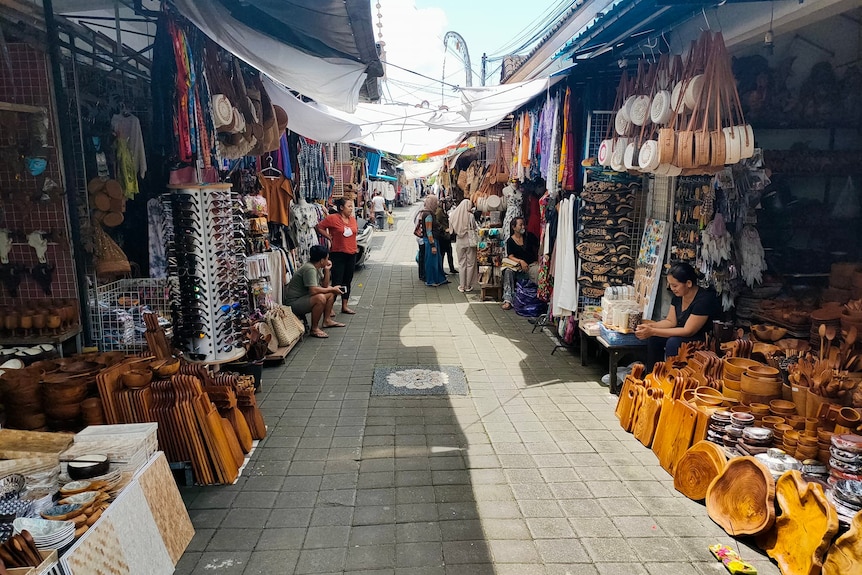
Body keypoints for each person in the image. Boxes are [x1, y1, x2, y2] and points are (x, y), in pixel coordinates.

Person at [635, 261, 721, 372]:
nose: (672, 288)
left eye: (675, 285)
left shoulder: (704, 300)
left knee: (673, 342)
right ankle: (653, 375)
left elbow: (688, 331)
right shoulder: (678, 296)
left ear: (688, 283)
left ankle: (673, 377)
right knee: (654, 339)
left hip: (701, 337)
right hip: (682, 333)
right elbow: (671, 321)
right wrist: (650, 326)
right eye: (670, 285)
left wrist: (653, 330)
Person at [284, 245, 346, 338]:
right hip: (293, 303)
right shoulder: (310, 269)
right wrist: (332, 288)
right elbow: (313, 290)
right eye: (327, 258)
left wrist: (327, 270)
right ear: (321, 260)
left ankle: (327, 320)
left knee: (330, 293)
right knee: (320, 298)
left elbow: (325, 286)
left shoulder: (316, 267)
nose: (328, 260)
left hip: (303, 298)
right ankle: (314, 329)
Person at [315, 198, 358, 315]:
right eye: (349, 206)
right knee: (337, 282)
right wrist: (328, 236)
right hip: (337, 254)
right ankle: (330, 307)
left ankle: (345, 306)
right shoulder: (332, 218)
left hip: (351, 253)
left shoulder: (353, 220)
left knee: (347, 280)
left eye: (351, 206)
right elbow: (319, 227)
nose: (351, 208)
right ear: (341, 208)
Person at [501, 217, 539, 310]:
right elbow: (510, 256)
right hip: (517, 266)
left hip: (531, 265)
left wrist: (539, 259)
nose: (523, 227)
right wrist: (520, 261)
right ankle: (508, 300)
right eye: (520, 225)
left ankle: (538, 298)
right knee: (508, 271)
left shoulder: (529, 236)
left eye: (524, 224)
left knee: (538, 271)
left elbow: (539, 247)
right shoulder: (510, 240)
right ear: (514, 227)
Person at [449, 199, 478, 293]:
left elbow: (451, 230)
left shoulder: (453, 215)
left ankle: (461, 286)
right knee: (470, 263)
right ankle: (468, 285)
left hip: (459, 241)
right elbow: (474, 227)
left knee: (461, 263)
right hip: (469, 241)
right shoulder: (470, 216)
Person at [419, 195, 448, 287]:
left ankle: (438, 279)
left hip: (432, 240)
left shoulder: (428, 213)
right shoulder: (428, 215)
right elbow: (429, 231)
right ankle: (431, 280)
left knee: (436, 261)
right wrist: (432, 245)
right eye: (435, 202)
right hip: (430, 241)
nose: (437, 204)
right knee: (431, 262)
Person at [436, 200, 457, 275]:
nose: (449, 205)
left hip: (446, 236)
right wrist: (444, 229)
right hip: (443, 236)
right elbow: (437, 222)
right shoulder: (439, 211)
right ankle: (441, 269)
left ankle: (451, 268)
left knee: (449, 252)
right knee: (443, 254)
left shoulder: (443, 211)